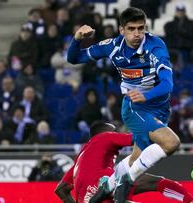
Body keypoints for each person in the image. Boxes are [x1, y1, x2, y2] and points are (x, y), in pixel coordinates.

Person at [67, 7, 180, 203]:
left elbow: (167, 84)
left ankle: (107, 185)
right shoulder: (112, 46)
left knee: (136, 159)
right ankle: (125, 181)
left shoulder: (155, 46)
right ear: (121, 30)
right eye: (131, 29)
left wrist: (148, 95)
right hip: (134, 107)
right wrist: (77, 39)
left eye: (141, 28)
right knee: (171, 143)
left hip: (160, 107)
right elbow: (74, 58)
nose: (137, 34)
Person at [55, 121, 193, 203]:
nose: (116, 134)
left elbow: (61, 190)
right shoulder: (105, 137)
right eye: (114, 131)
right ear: (103, 132)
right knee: (157, 182)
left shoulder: (80, 160)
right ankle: (192, 201)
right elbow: (140, 137)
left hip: (94, 198)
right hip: (105, 186)